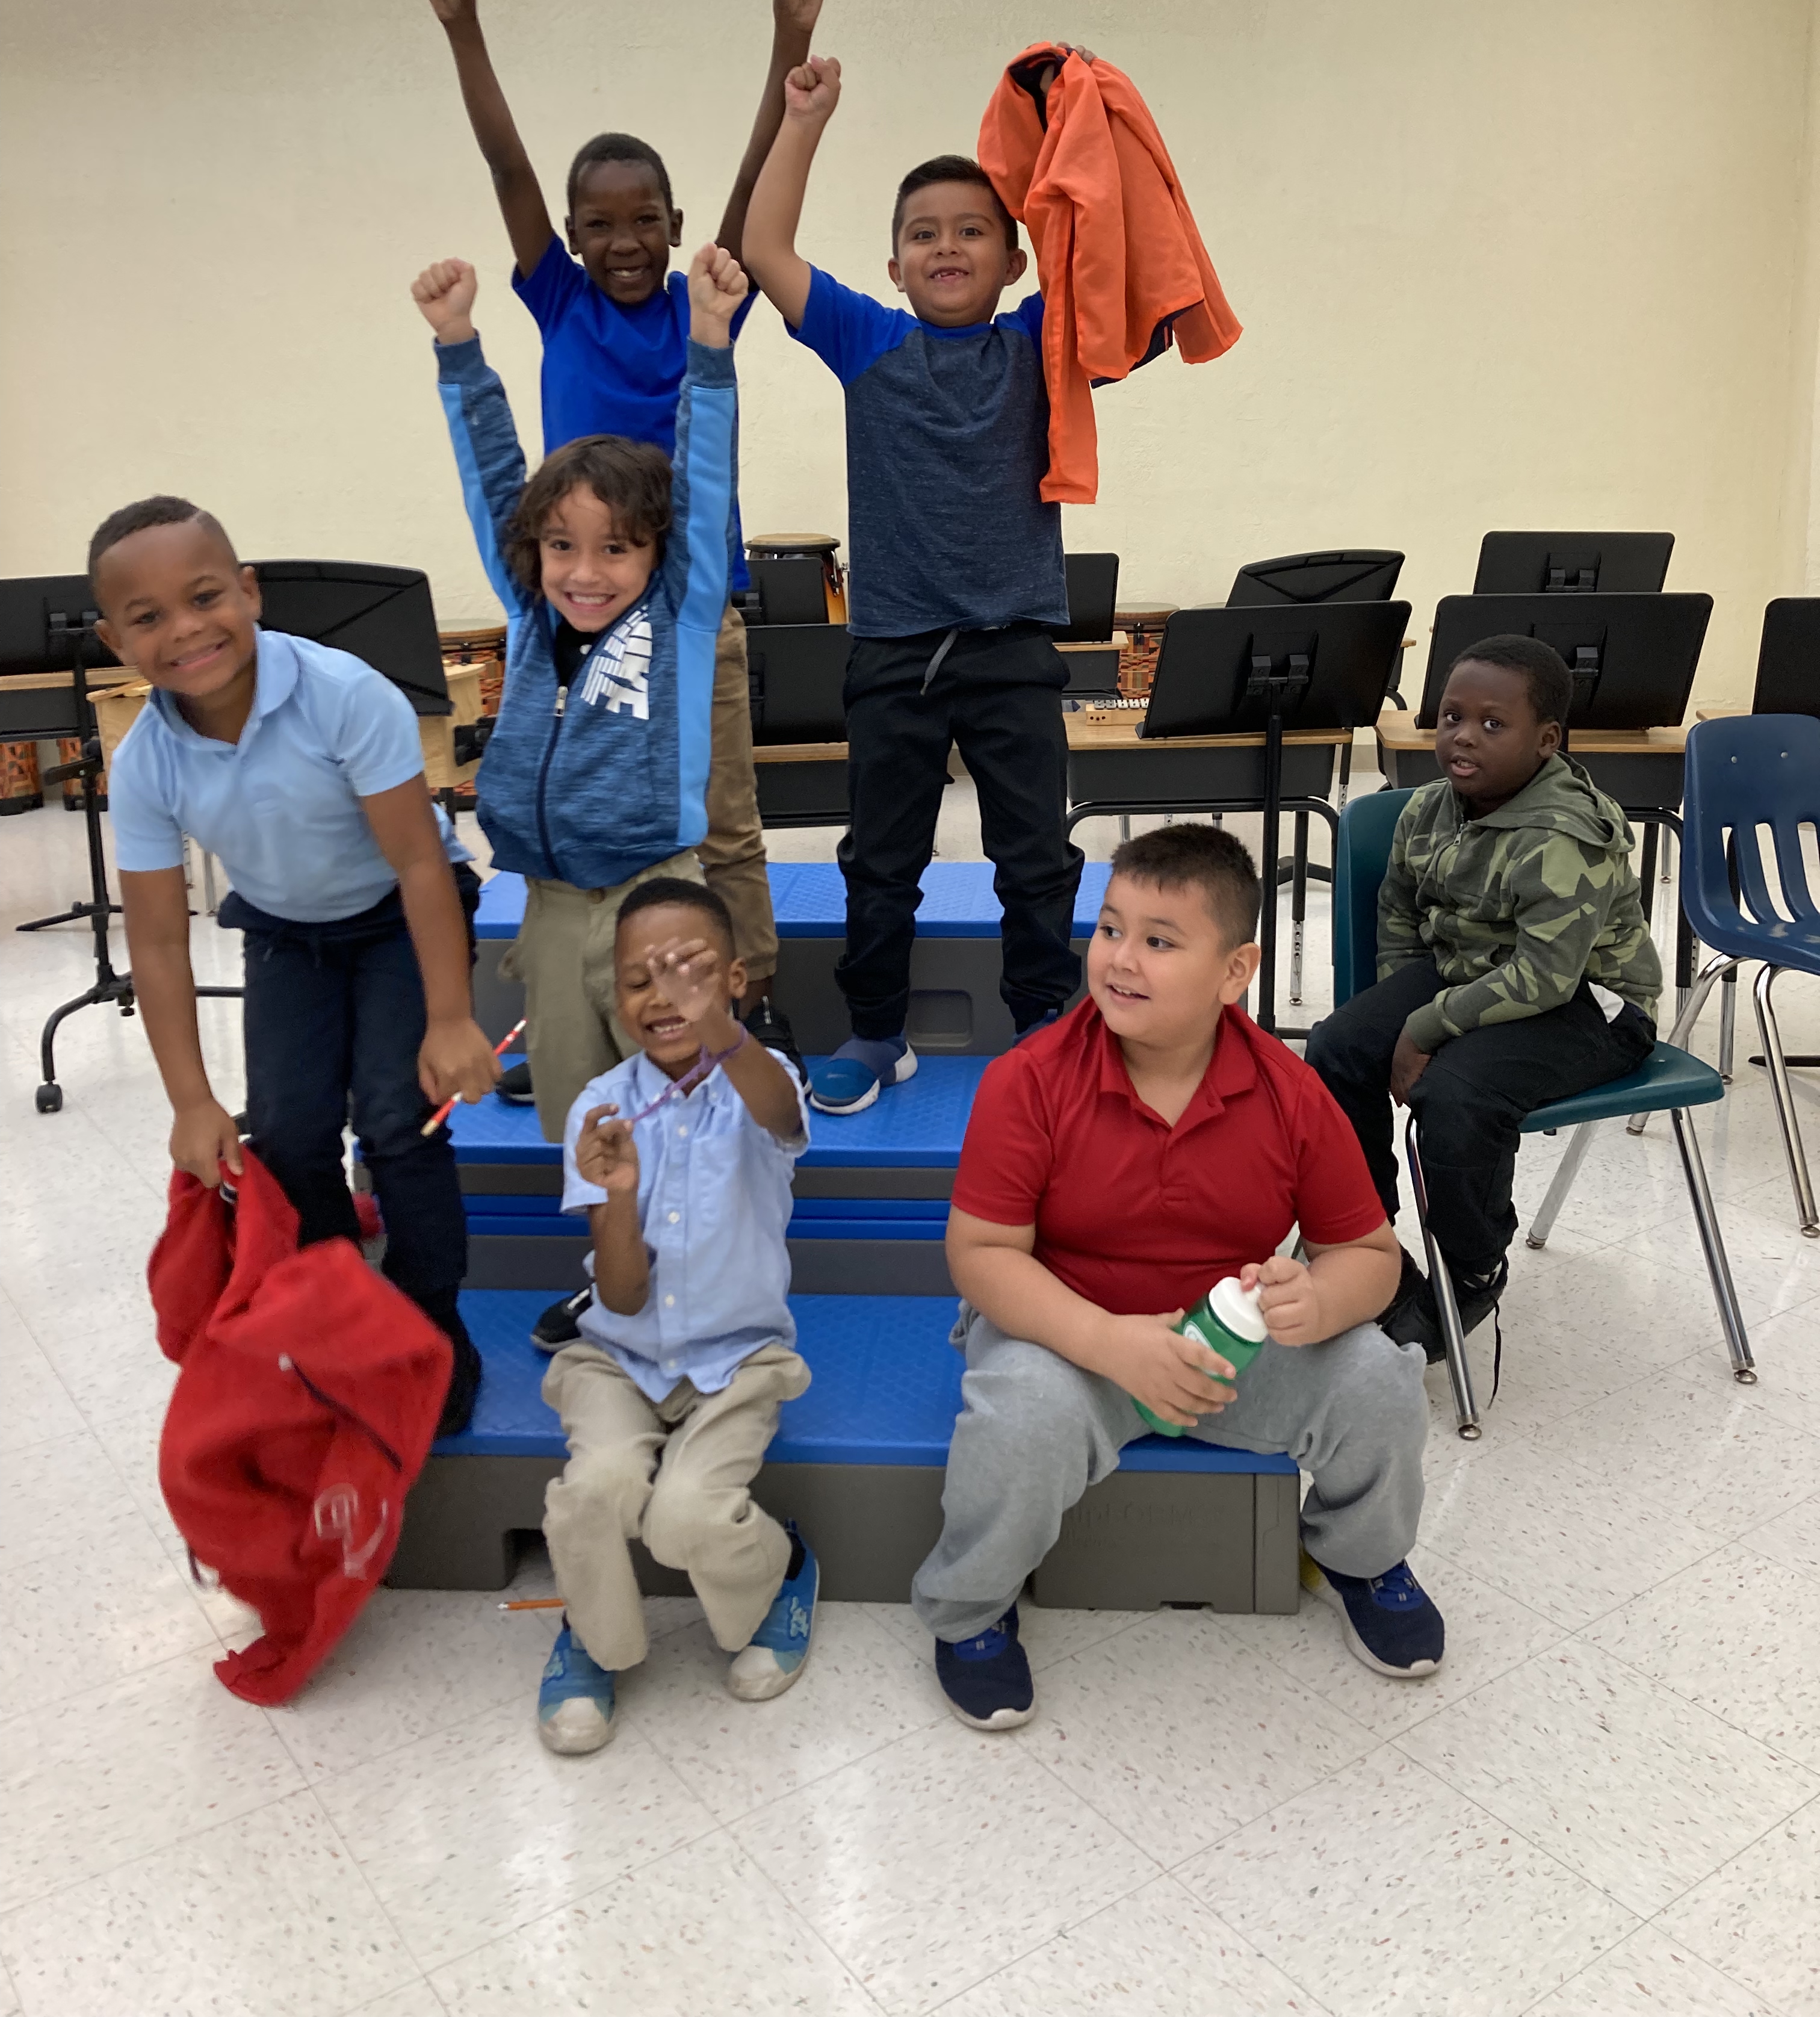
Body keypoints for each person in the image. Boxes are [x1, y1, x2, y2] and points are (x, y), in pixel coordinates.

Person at [908, 823, 1442, 1729]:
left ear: (1236, 971)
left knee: (1381, 1382)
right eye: (1111, 929)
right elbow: (983, 1255)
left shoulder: (1289, 1090)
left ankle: (1362, 1560)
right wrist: (1108, 1342)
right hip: (1068, 1331)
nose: (1121, 959)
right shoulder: (1028, 1081)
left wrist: (1321, 1299)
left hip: (1229, 1339)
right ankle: (971, 1614)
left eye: (1159, 941)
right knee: (1021, 1417)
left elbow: (1371, 1259)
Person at [417, 0, 828, 1082]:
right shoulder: (556, 300)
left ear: (673, 221)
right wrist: (464, 26)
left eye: (643, 219)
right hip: (576, 614)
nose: (623, 242)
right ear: (570, 236)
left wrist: (785, 42)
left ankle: (746, 997)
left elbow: (752, 187)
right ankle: (579, 998)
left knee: (724, 823)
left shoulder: (706, 304)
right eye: (596, 225)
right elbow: (506, 165)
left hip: (695, 613)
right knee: (588, 823)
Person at [93, 497, 498, 1434]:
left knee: (399, 1119)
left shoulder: (346, 692)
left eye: (204, 598)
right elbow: (155, 941)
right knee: (287, 1133)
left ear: (249, 591)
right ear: (119, 643)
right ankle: (339, 1328)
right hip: (285, 932)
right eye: (148, 618)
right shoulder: (148, 759)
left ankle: (434, 1326)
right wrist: (192, 1101)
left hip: (400, 914)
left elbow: (417, 864)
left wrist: (448, 1018)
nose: (186, 631)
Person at [741, 50, 1094, 1113]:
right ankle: (877, 1029)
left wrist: (1074, 125)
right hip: (892, 652)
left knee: (1033, 854)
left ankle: (1042, 1022)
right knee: (880, 859)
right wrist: (802, 119)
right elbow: (762, 247)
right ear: (892, 264)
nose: (945, 245)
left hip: (1012, 647)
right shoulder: (867, 342)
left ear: (1014, 259)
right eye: (922, 232)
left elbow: (1106, 253)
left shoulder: (1040, 340)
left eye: (971, 229)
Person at [416, 241, 752, 1350]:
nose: (584, 569)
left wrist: (708, 347)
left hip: (657, 891)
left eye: (615, 548)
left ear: (657, 554)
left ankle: (704, 1273)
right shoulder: (528, 616)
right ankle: (616, 1268)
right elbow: (488, 476)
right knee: (579, 1107)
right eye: (561, 546)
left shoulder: (683, 613)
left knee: (684, 1091)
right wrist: (458, 348)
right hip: (554, 901)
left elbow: (700, 486)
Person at [1307, 635, 1661, 1359]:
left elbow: (1546, 978)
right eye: (1451, 718)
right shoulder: (1428, 810)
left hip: (1590, 1004)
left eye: (1493, 725)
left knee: (1460, 1095)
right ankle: (1364, 1239)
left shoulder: (1565, 835)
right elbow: (1401, 915)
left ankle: (1471, 1265)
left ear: (1546, 740)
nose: (1464, 737)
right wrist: (1398, 1016)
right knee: (1337, 1045)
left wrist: (1425, 1029)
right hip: (1471, 970)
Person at [535, 875, 818, 1754]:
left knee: (685, 1518)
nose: (664, 997)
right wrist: (617, 1197)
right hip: (620, 1358)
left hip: (738, 1363)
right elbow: (619, 1297)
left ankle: (782, 1574)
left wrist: (724, 1031)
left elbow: (777, 1111)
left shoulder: (764, 1082)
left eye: (689, 970)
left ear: (736, 979)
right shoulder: (600, 1107)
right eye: (638, 980)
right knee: (594, 1495)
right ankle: (594, 1635)